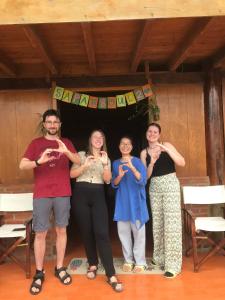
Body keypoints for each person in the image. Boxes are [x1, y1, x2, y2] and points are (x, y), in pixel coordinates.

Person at [19, 109, 80, 295]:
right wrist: (39, 161)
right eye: (49, 122)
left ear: (59, 124)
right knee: (40, 233)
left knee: (62, 230)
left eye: (56, 122)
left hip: (63, 193)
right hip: (42, 194)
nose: (52, 125)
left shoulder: (67, 142)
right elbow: (22, 165)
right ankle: (39, 272)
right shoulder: (36, 143)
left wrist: (66, 151)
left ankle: (60, 267)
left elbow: (78, 161)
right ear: (44, 124)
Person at [70, 129, 123, 292]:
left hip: (98, 194)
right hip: (81, 193)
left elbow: (108, 181)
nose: (98, 139)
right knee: (86, 231)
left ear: (103, 141)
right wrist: (85, 165)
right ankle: (92, 263)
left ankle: (111, 273)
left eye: (101, 137)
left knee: (102, 233)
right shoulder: (80, 154)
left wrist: (106, 164)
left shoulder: (105, 157)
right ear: (90, 139)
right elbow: (72, 174)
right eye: (95, 137)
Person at [140, 122, 185, 278]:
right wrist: (151, 162)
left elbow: (181, 162)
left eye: (155, 132)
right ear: (146, 134)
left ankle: (173, 265)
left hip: (171, 183)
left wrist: (167, 151)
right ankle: (159, 258)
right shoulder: (144, 153)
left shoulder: (167, 145)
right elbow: (145, 177)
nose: (152, 134)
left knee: (171, 223)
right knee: (158, 223)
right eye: (149, 131)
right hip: (155, 186)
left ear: (159, 134)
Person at [112, 136, 149, 273]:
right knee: (123, 233)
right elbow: (114, 184)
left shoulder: (138, 162)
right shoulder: (115, 163)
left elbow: (143, 180)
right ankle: (128, 260)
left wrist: (132, 168)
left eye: (128, 144)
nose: (125, 146)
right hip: (122, 202)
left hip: (136, 201)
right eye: (122, 143)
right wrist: (120, 175)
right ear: (119, 146)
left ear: (132, 147)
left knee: (139, 232)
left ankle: (140, 262)